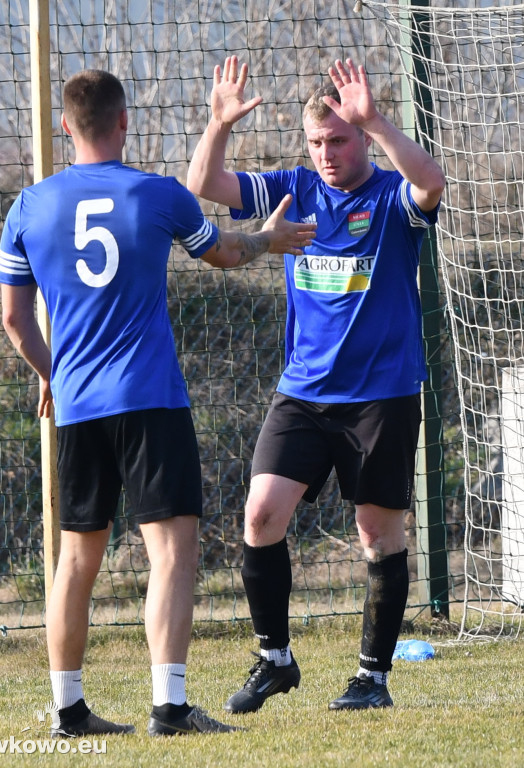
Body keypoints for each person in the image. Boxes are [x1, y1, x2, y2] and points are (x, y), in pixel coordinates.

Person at [0, 69, 316, 737]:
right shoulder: (158, 194)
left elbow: (14, 321)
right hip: (148, 399)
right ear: (124, 122)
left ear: (65, 127)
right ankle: (168, 706)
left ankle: (67, 710)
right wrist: (268, 241)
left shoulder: (29, 205)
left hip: (79, 406)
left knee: (77, 558)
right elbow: (225, 252)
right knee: (171, 553)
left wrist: (52, 374)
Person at [187, 56, 445, 712]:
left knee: (375, 534)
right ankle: (275, 659)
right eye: (317, 143)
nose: (327, 154)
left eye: (339, 139)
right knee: (261, 514)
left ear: (359, 138)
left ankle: (372, 678)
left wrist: (378, 120)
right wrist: (219, 124)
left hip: (381, 394)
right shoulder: (294, 189)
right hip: (302, 391)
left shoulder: (389, 196)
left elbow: (432, 182)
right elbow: (204, 183)